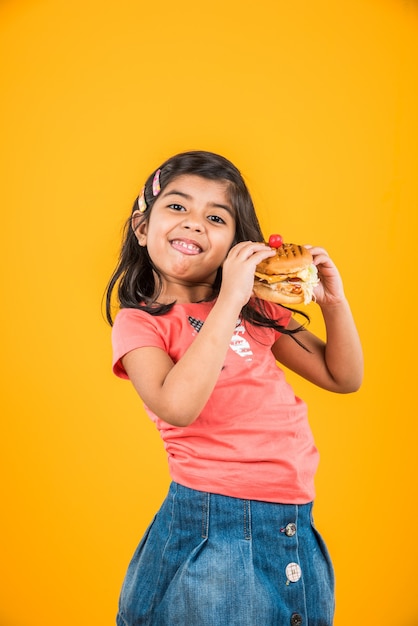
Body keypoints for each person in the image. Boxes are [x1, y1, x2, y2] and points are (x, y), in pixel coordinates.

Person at [106, 150, 363, 626]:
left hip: (293, 520)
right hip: (215, 524)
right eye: (178, 207)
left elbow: (342, 377)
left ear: (235, 244)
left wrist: (334, 302)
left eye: (216, 217)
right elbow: (177, 406)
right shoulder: (139, 324)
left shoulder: (256, 312)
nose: (195, 224)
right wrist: (229, 298)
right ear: (143, 228)